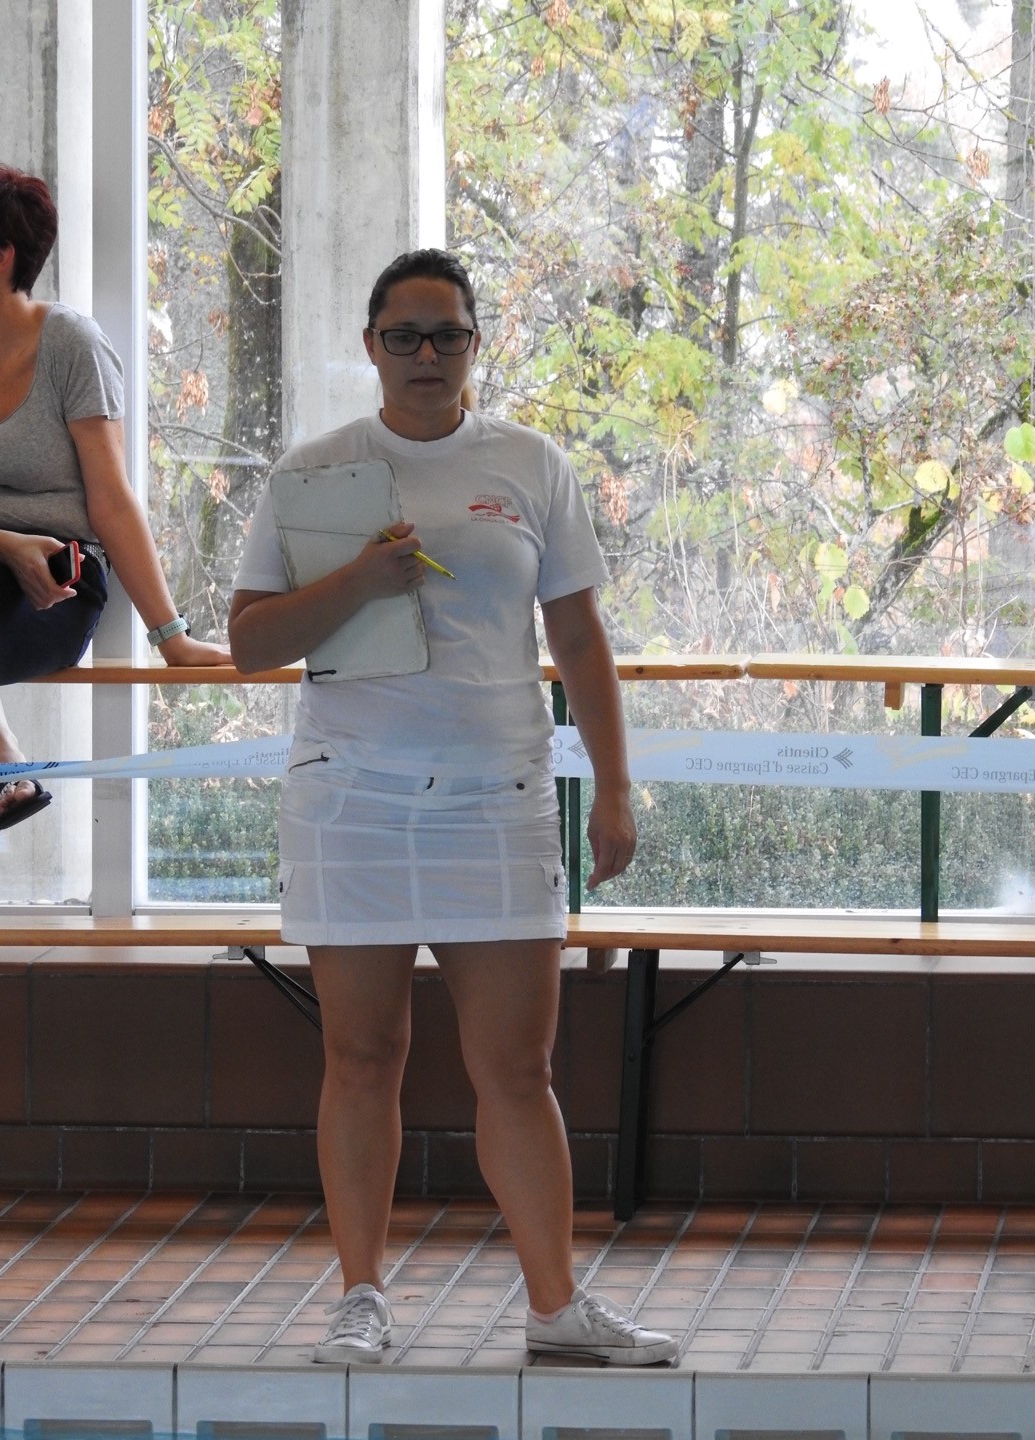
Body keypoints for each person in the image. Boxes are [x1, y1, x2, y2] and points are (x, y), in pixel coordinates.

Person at [228, 247, 678, 1368]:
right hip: (352, 797)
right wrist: (359, 582)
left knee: (518, 1069)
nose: (426, 356)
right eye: (404, 336)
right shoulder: (315, 472)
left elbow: (578, 637)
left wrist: (614, 787)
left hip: (498, 796)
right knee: (361, 1057)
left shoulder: (528, 463)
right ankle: (361, 1298)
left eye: (448, 335)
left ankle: (555, 1306)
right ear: (372, 345)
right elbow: (249, 643)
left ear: (477, 344)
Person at [0, 165, 232, 831]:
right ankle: (5, 763)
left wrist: (171, 637)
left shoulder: (71, 346)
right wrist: (2, 542)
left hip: (53, 587)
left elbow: (112, 500)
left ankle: (4, 766)